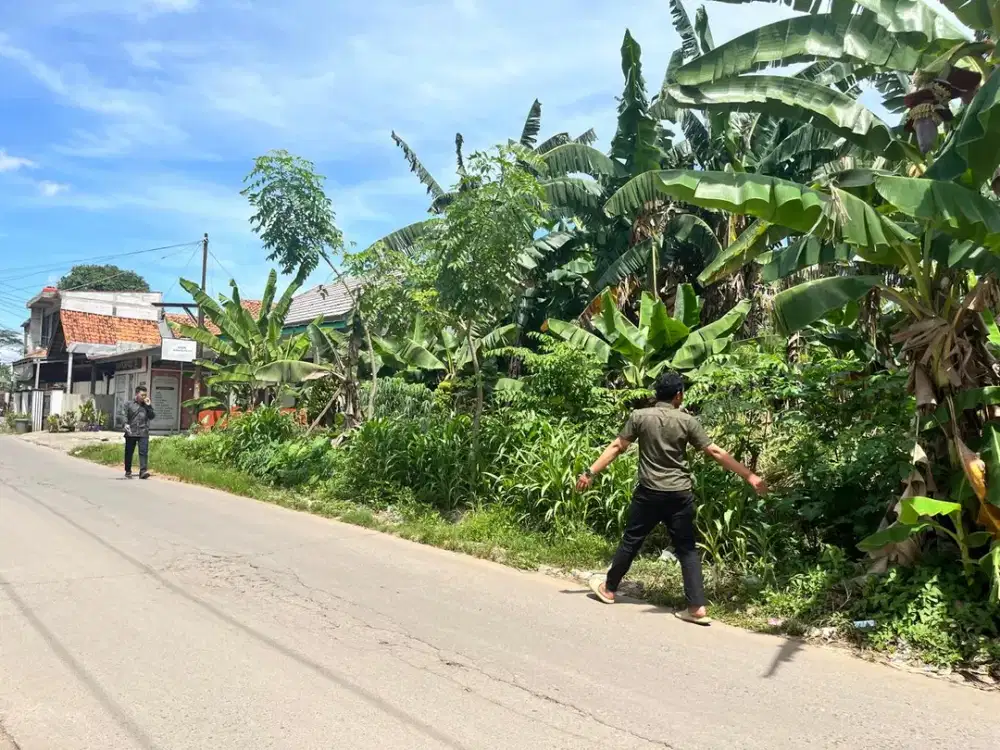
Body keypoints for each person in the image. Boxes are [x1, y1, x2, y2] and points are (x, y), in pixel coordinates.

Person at [576, 371, 767, 625]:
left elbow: (617, 447)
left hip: (649, 493)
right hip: (679, 494)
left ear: (657, 393)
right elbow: (714, 451)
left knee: (632, 540)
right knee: (687, 549)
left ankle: (609, 589)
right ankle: (696, 607)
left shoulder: (639, 416)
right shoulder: (687, 421)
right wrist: (750, 476)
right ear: (678, 395)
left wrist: (590, 472)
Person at [123, 385, 155, 480]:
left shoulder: (146, 405)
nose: (144, 397)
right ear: (137, 394)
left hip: (143, 432)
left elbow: (152, 416)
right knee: (129, 452)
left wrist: (149, 406)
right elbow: (124, 415)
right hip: (131, 432)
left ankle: (143, 471)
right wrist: (125, 424)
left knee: (143, 452)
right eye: (142, 395)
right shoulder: (128, 404)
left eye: (145, 395)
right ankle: (128, 470)